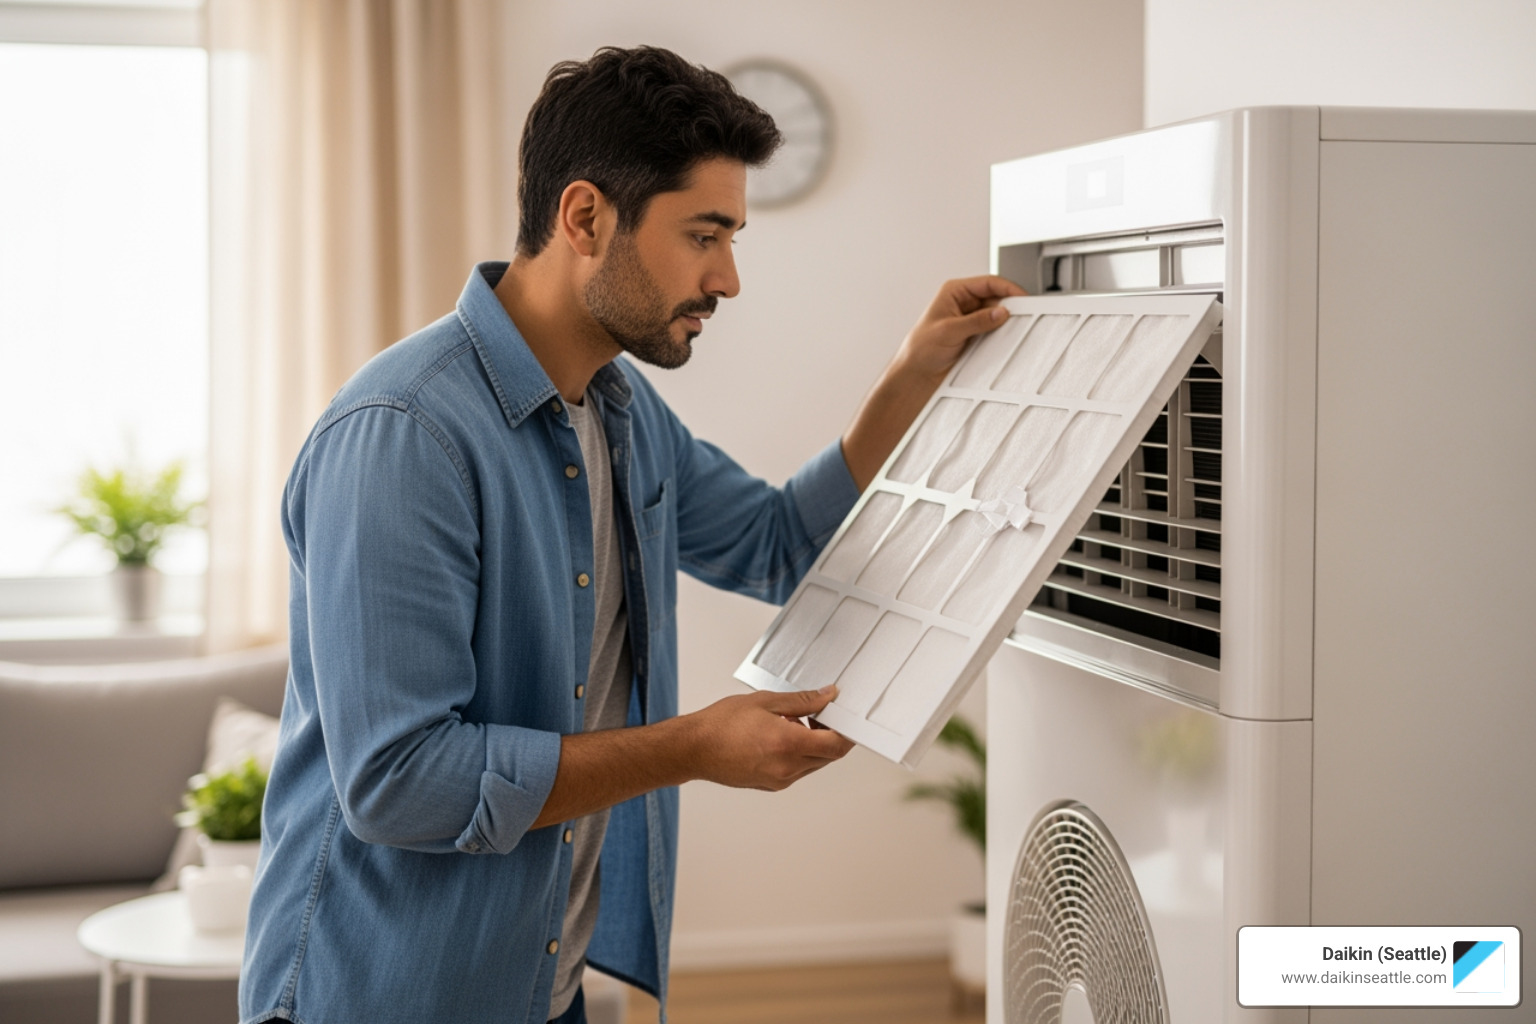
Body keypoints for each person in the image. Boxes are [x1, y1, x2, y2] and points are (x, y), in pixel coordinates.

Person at [239, 45, 1022, 1024]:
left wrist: (912, 374)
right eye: (705, 234)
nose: (729, 277)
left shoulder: (620, 410)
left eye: (733, 238)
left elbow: (776, 541)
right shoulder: (404, 436)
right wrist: (692, 745)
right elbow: (400, 782)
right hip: (384, 995)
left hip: (542, 984)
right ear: (584, 218)